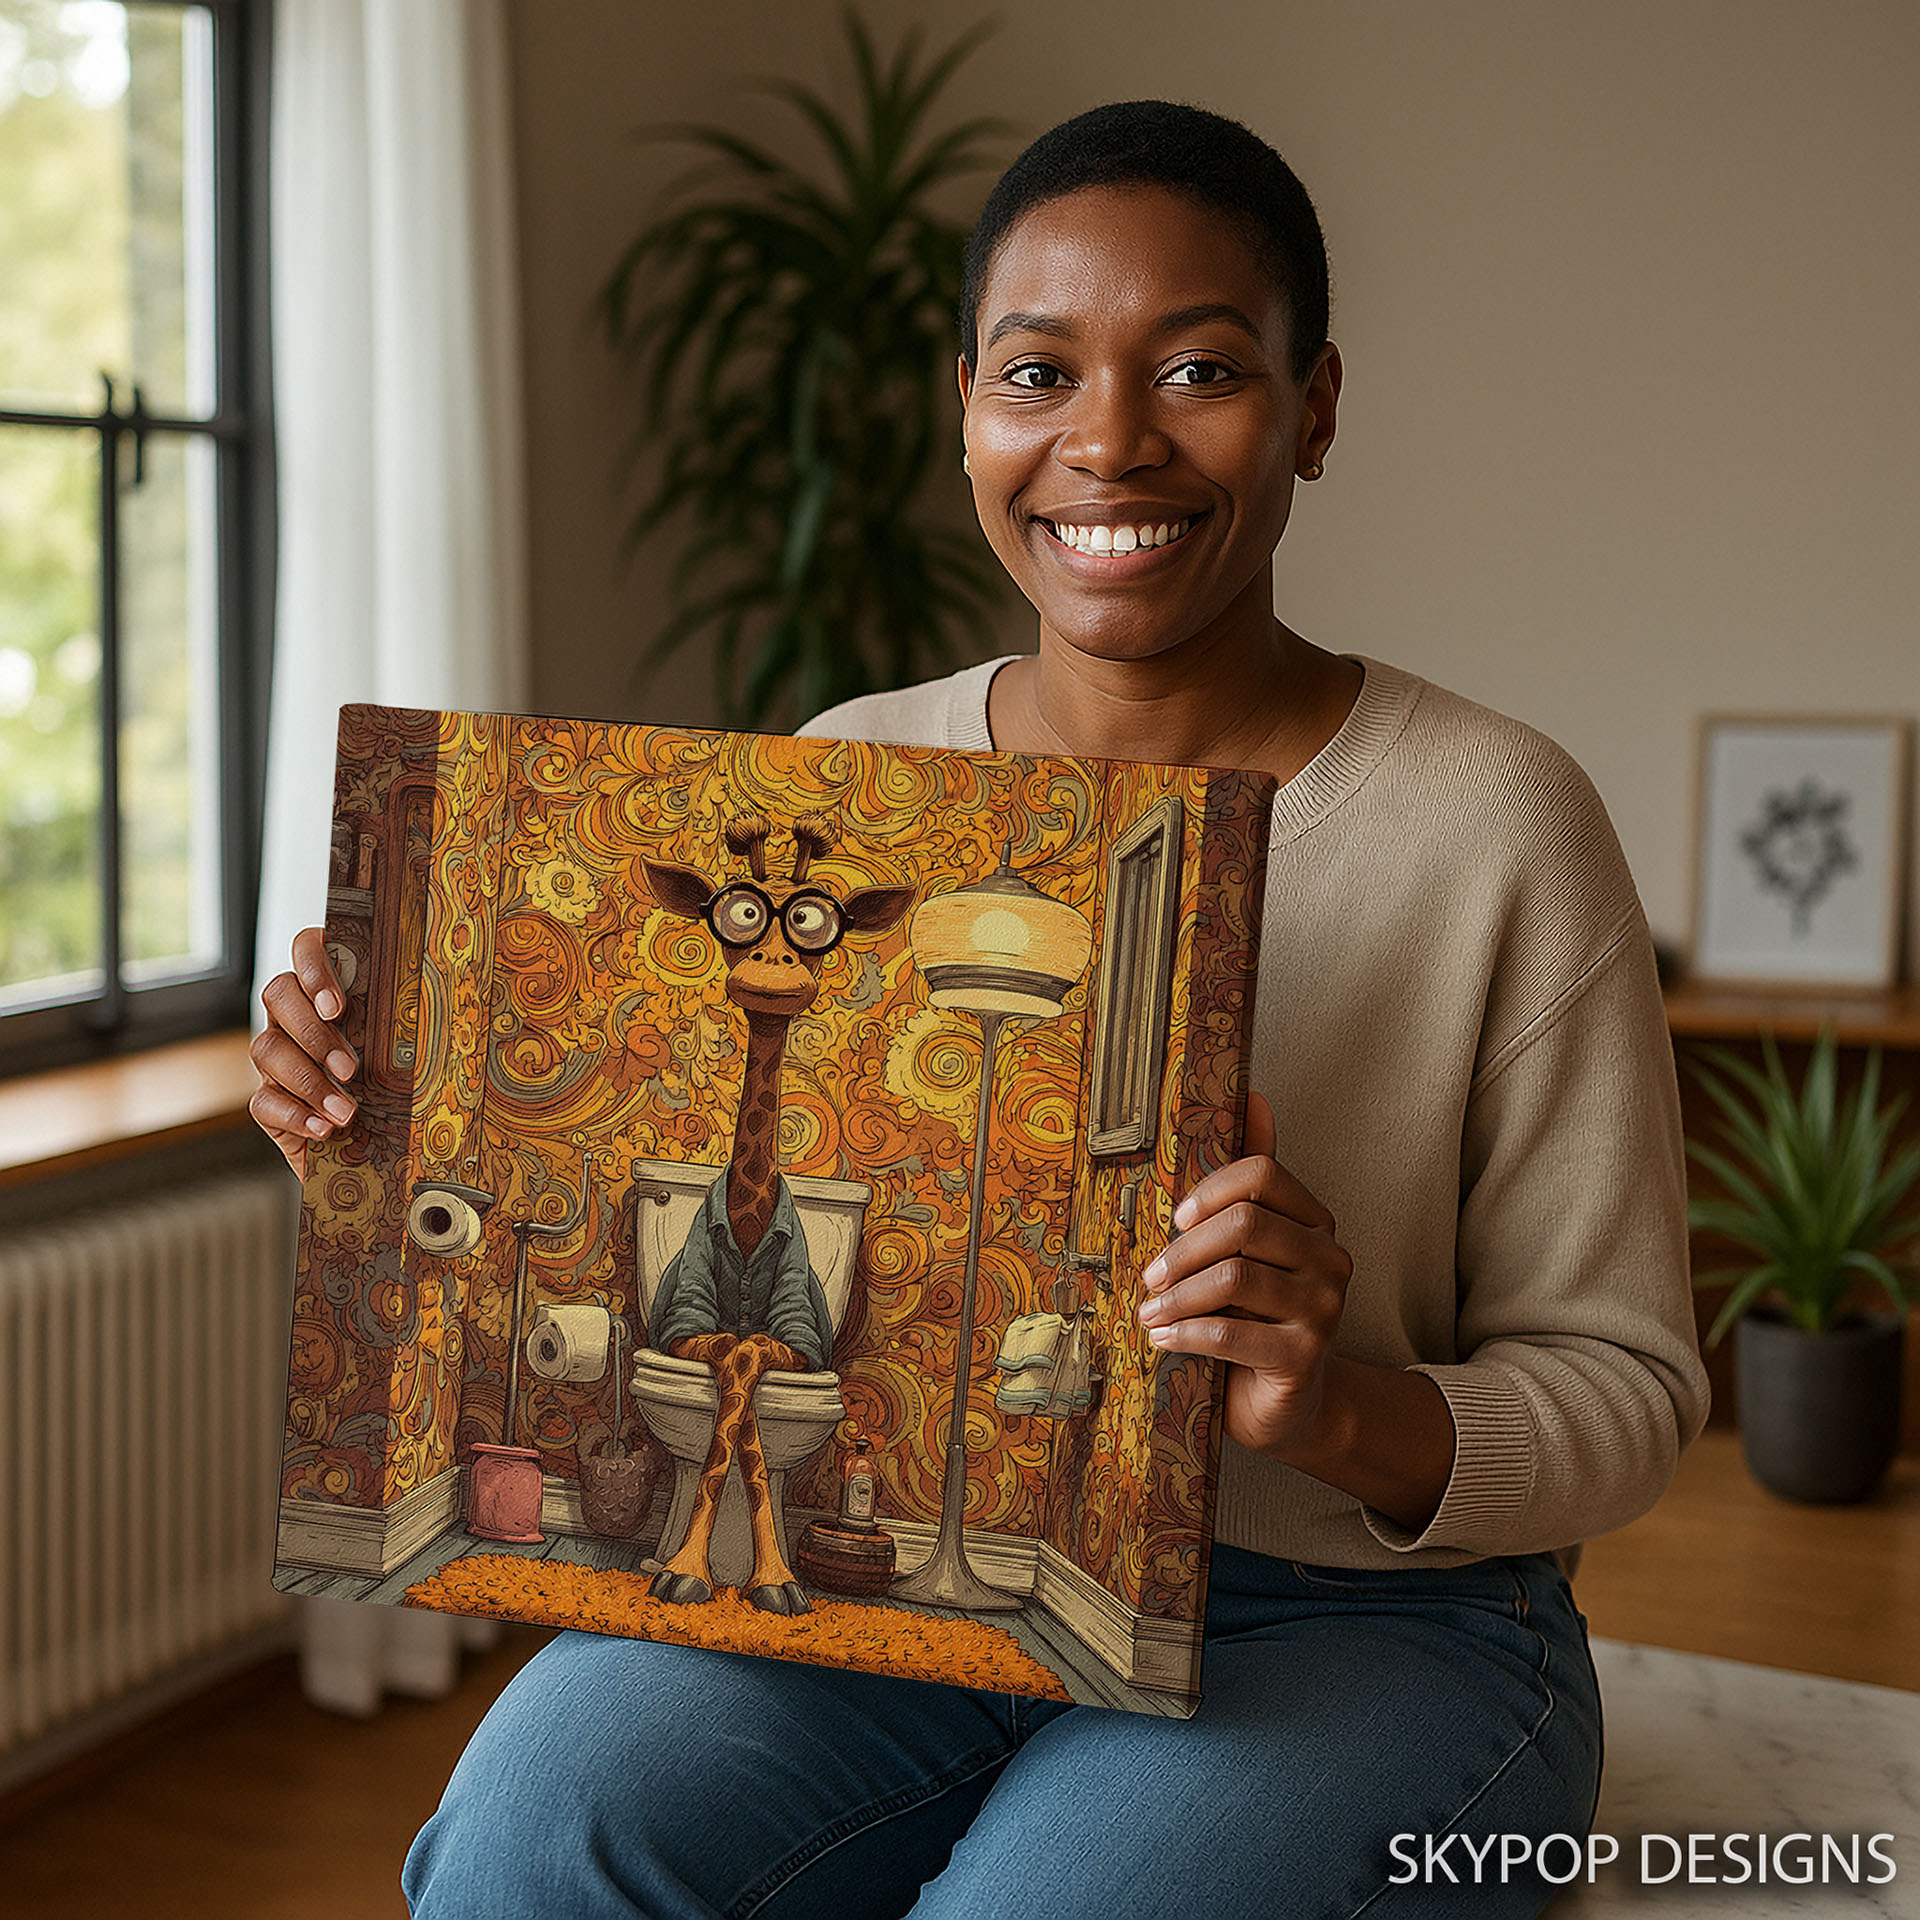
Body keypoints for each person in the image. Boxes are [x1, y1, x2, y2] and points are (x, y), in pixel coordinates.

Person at [251, 101, 1710, 1919]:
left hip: (1364, 1621)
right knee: (526, 1844)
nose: (1110, 439)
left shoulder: (1499, 820)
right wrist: (389, 1128)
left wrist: (1334, 1410)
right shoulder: (849, 778)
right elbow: (666, 1234)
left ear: (1316, 407)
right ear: (967, 414)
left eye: (1200, 368)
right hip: (880, 1582)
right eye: (1039, 373)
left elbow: (1629, 1392)